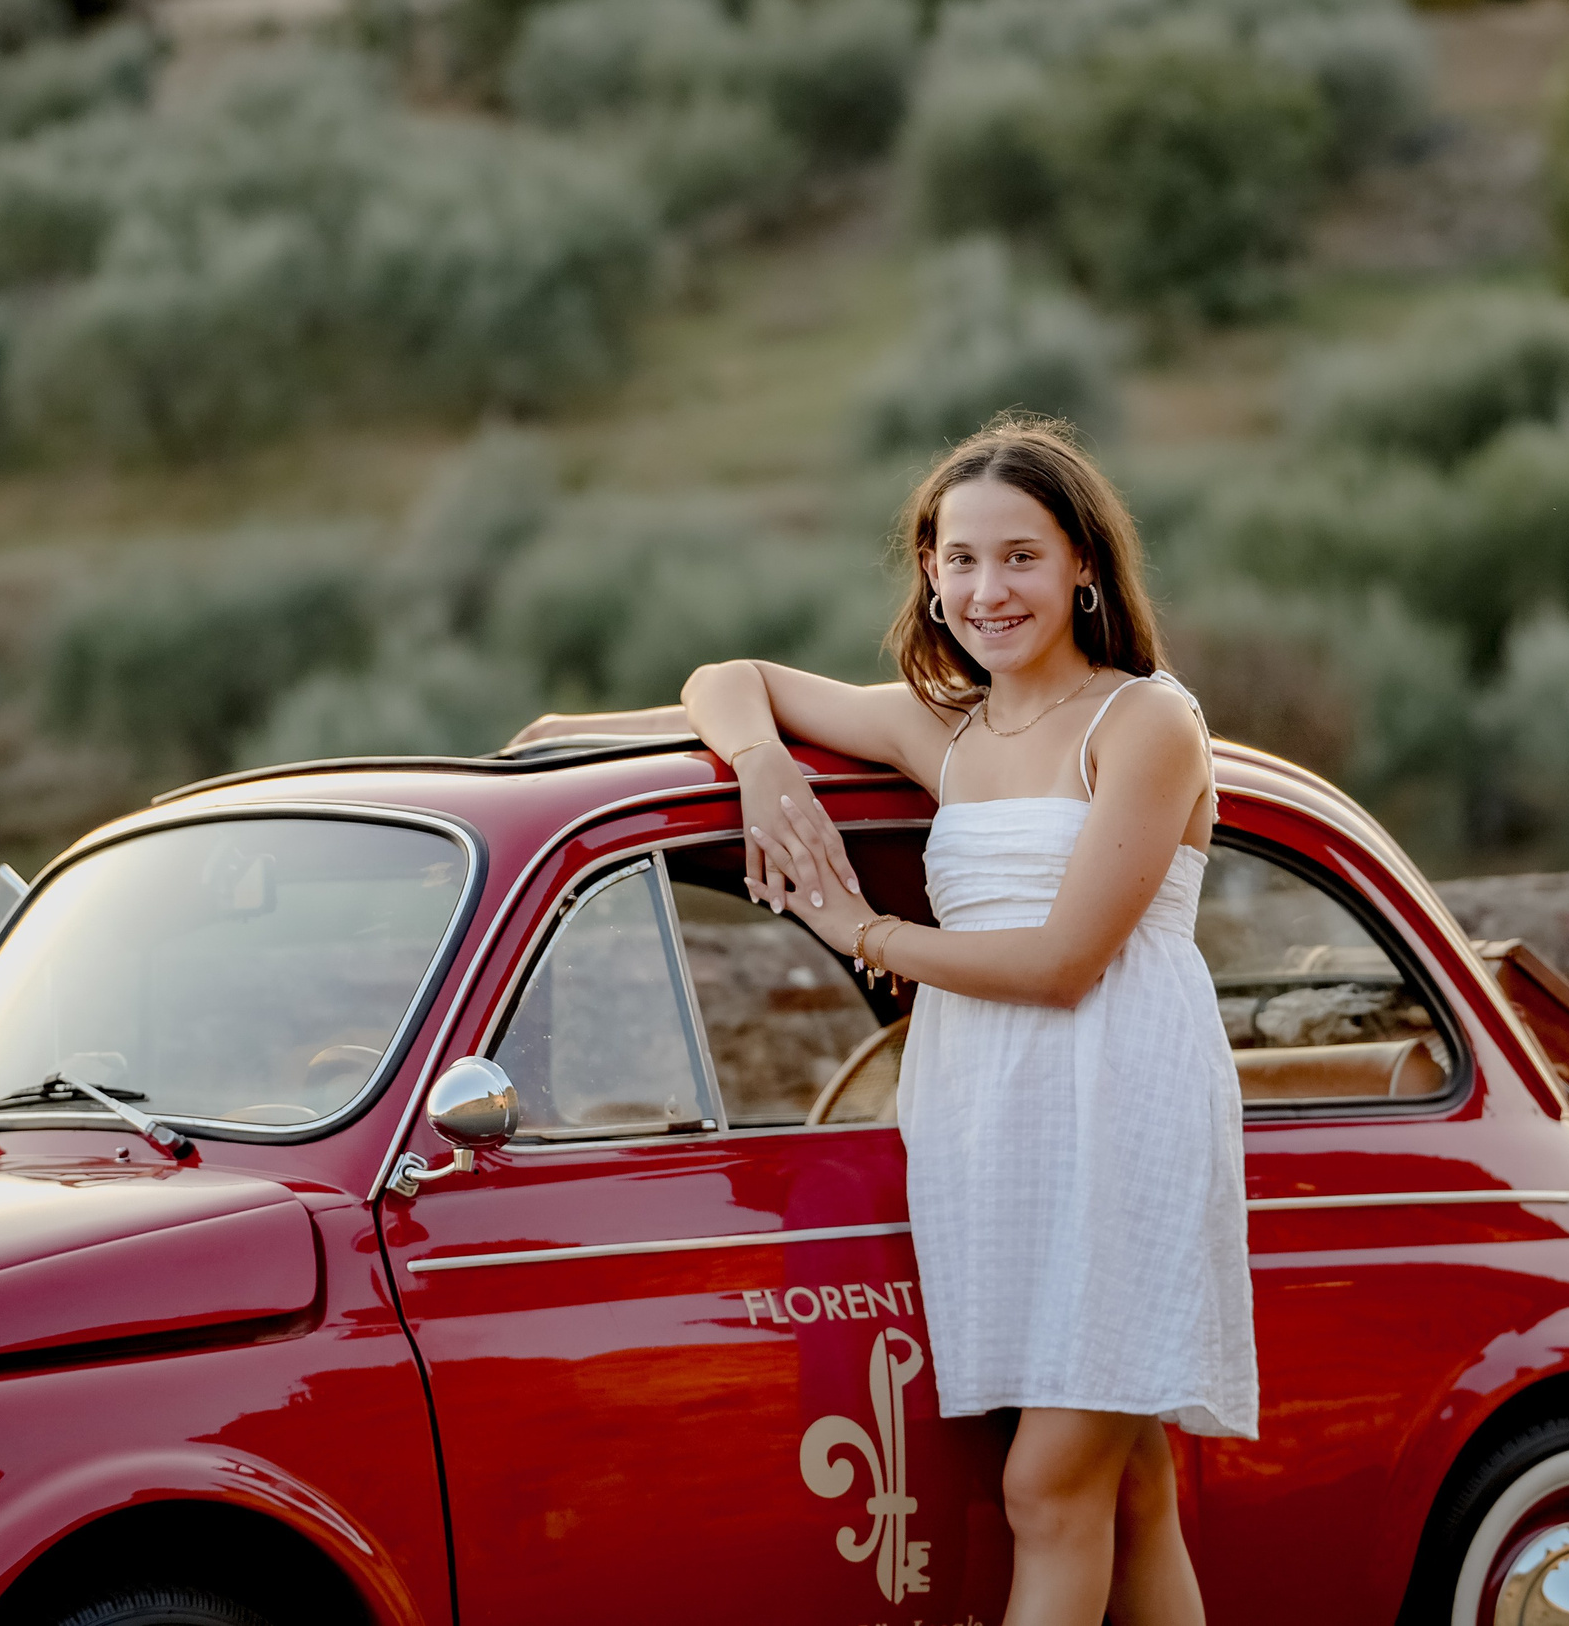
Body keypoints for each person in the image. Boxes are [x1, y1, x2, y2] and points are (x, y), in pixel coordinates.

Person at [512, 419, 1256, 1626]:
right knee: (1128, 1491)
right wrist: (761, 762)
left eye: (1019, 557)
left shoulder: (1145, 722)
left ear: (1082, 562)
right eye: (959, 560)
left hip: (1122, 1116)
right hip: (987, 1123)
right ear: (927, 570)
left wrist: (863, 931)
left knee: (1046, 1491)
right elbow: (730, 680)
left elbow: (1065, 962)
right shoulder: (943, 730)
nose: (986, 589)